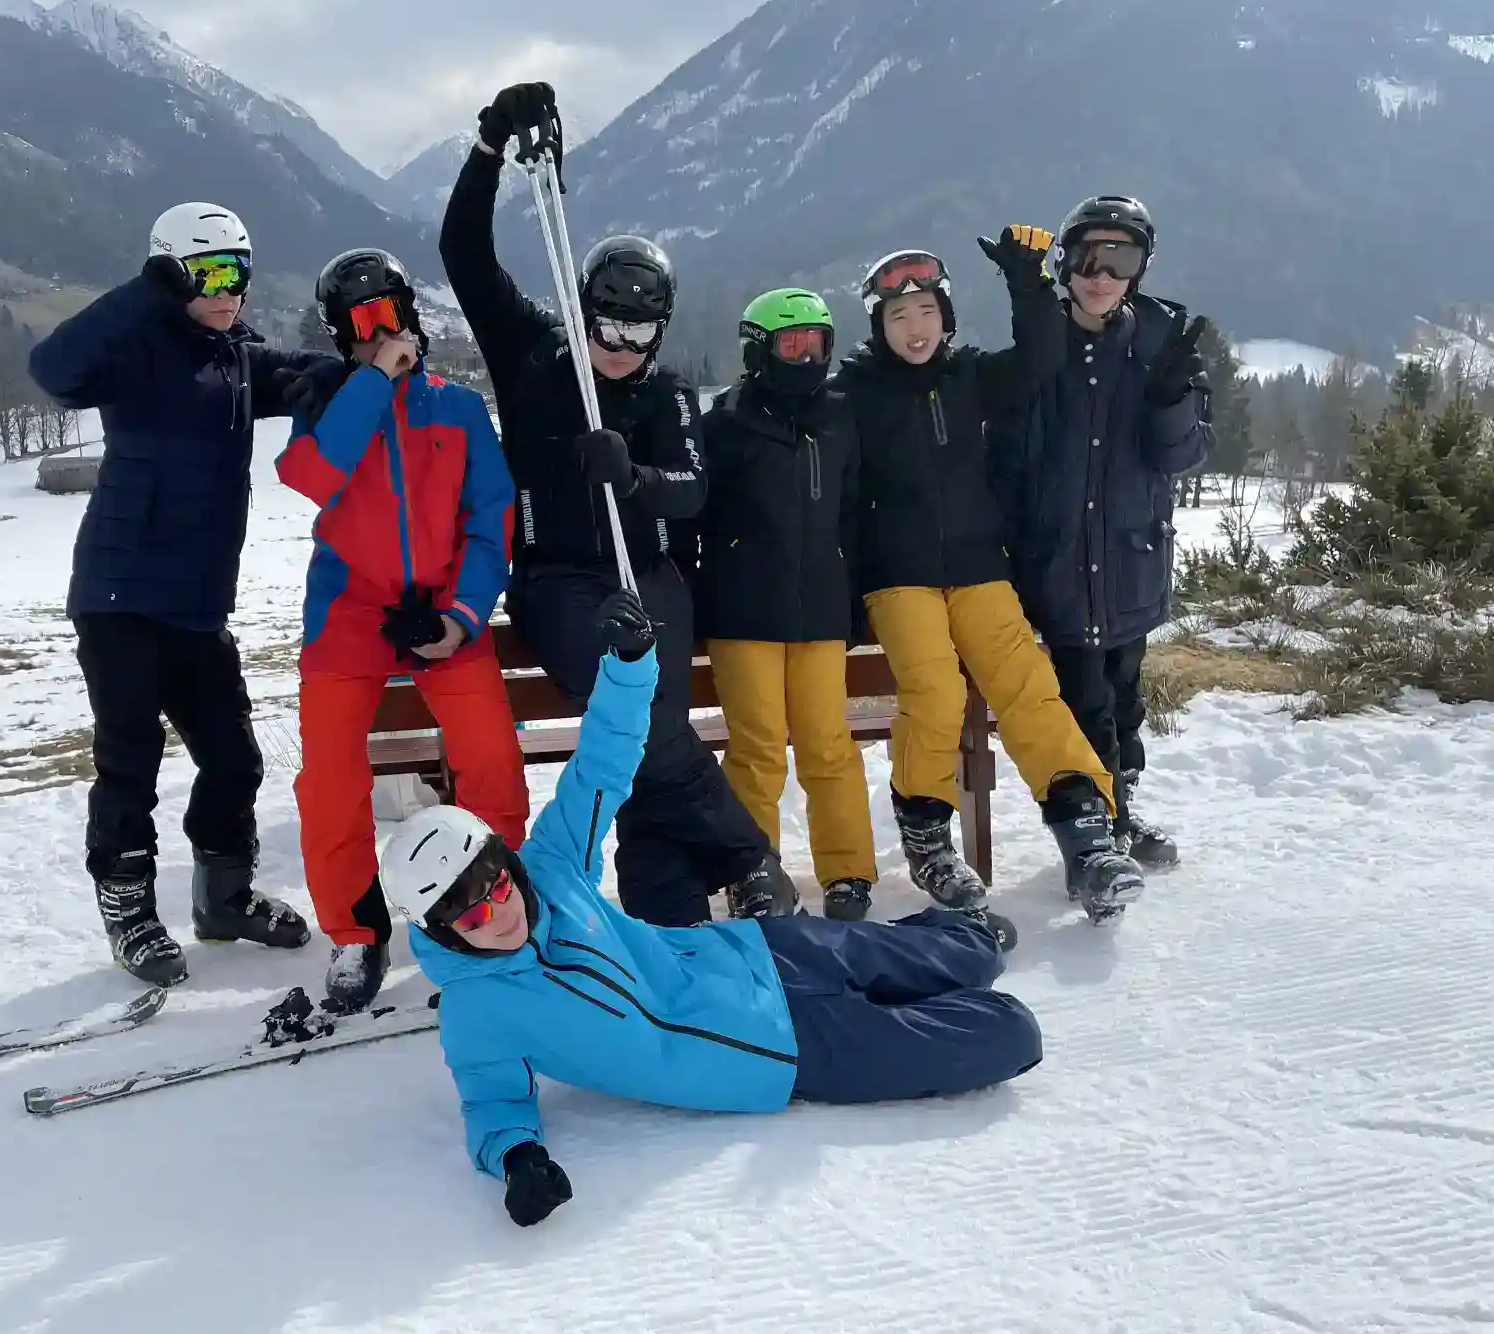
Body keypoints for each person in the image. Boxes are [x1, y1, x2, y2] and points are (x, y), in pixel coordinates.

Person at [387, 589, 1042, 1228]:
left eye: (497, 886)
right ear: (443, 933)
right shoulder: (478, 1011)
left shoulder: (553, 868)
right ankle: (908, 995)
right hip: (778, 1051)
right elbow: (492, 1100)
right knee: (1009, 1032)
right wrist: (517, 1158)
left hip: (767, 950)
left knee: (965, 949)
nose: (498, 913)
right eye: (470, 916)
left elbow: (603, 762)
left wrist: (630, 665)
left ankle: (951, 941)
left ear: (507, 864)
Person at [440, 78, 795, 929]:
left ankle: (663, 913)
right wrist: (489, 147)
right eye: (606, 322)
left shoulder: (666, 394)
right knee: (630, 713)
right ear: (584, 307)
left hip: (649, 574)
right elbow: (463, 255)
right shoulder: (535, 353)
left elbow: (693, 489)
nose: (618, 345)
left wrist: (633, 477)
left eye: (639, 332)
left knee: (651, 724)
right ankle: (747, 861)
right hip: (559, 579)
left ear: (662, 330)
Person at [29, 201, 336, 986]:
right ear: (169, 274)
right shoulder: (134, 347)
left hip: (199, 607)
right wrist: (145, 292)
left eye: (237, 272)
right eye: (204, 274)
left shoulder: (234, 357)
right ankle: (129, 912)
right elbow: (52, 370)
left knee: (234, 758)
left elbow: (303, 368)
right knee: (129, 763)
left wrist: (375, 359)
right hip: (120, 597)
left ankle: (224, 897)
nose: (225, 289)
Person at [844, 234, 1145, 925]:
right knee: (935, 690)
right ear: (878, 329)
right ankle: (927, 836)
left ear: (946, 318)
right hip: (898, 577)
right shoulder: (854, 392)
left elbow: (1044, 354)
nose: (914, 329)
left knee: (1029, 689)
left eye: (925, 312)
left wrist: (1026, 278)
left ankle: (1086, 835)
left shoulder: (970, 375)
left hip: (981, 568)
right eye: (897, 317)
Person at [277, 248, 530, 1014]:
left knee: (489, 752)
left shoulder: (455, 406)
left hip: (441, 607)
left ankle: (496, 897)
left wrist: (461, 615)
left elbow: (492, 518)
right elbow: (312, 477)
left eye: (392, 313)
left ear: (413, 313)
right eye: (363, 321)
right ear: (339, 333)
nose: (382, 331)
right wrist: (372, 382)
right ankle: (356, 933)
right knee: (328, 776)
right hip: (349, 612)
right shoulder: (328, 402)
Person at [987, 197, 1212, 869]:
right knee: (1080, 699)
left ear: (1139, 270)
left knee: (1123, 696)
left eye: (1120, 260)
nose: (1101, 274)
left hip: (1129, 560)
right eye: (1087, 257)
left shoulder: (1159, 349)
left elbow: (1185, 456)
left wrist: (1173, 399)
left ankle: (1124, 803)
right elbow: (1004, 461)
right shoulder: (1039, 350)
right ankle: (1099, 830)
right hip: (1056, 562)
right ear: (1064, 264)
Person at [698, 289, 877, 920]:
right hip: (744, 610)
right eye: (790, 343)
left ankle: (849, 872)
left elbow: (853, 514)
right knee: (759, 747)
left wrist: (854, 598)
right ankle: (755, 872)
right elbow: (698, 515)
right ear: (758, 349)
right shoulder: (724, 422)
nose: (804, 356)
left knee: (829, 744)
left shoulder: (840, 417)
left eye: (816, 343)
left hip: (821, 609)